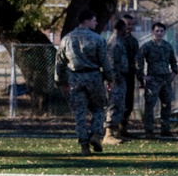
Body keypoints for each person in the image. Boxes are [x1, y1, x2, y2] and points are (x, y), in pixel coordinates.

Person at [54, 9, 114, 156]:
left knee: (79, 113)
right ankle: (95, 134)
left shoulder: (66, 39)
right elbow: (105, 62)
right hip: (94, 77)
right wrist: (110, 79)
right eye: (94, 20)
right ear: (86, 21)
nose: (97, 22)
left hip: (75, 78)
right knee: (98, 109)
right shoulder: (98, 39)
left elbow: (59, 63)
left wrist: (59, 80)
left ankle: (84, 145)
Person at [136, 21, 178, 137]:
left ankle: (165, 130)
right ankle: (149, 131)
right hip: (153, 80)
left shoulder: (167, 46)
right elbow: (138, 60)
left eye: (161, 31)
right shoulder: (147, 46)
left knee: (167, 105)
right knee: (150, 106)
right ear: (153, 32)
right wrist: (141, 76)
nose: (159, 33)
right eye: (157, 31)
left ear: (164, 32)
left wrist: (174, 72)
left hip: (166, 79)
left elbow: (173, 60)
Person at [103, 18, 129, 145]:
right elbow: (112, 64)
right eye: (125, 28)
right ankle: (108, 134)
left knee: (119, 105)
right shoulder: (114, 43)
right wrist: (113, 80)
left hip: (120, 78)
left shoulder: (119, 41)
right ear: (121, 28)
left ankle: (116, 132)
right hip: (115, 80)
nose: (127, 30)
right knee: (113, 105)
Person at [119, 12, 139, 138]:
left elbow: (137, 58)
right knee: (118, 102)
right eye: (127, 24)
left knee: (129, 102)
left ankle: (123, 127)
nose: (129, 27)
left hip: (130, 74)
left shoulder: (134, 41)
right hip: (120, 74)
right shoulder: (117, 40)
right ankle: (114, 128)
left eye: (131, 24)